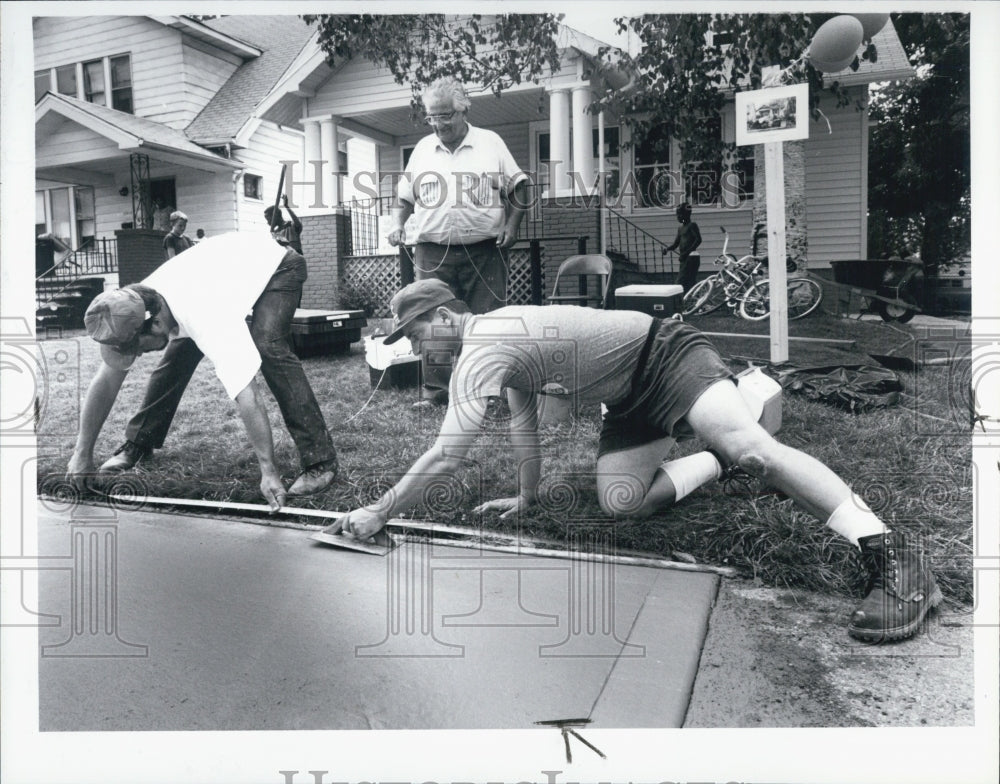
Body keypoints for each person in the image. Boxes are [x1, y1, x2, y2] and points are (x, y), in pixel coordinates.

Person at [327, 279, 941, 643]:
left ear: (441, 316)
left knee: (755, 451)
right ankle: (716, 456)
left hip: (667, 355)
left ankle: (894, 556)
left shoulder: (486, 343)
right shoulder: (500, 345)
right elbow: (524, 425)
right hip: (627, 398)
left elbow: (445, 454)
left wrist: (380, 512)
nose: (413, 347)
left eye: (413, 334)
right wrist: (527, 496)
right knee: (623, 501)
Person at [66, 232, 339, 504]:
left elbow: (248, 395)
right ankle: (139, 443)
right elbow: (106, 381)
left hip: (278, 266)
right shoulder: (136, 302)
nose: (136, 354)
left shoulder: (206, 316)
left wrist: (268, 471)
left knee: (268, 346)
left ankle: (321, 460)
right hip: (221, 276)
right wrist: (82, 451)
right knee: (173, 361)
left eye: (137, 347)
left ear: (157, 324)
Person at [387, 76, 529, 404]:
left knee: (487, 321)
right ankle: (437, 393)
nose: (438, 125)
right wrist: (398, 225)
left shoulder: (490, 143)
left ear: (463, 109)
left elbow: (519, 186)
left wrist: (513, 225)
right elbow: (405, 198)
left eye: (445, 116)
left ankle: (489, 392)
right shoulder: (422, 151)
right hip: (431, 252)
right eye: (432, 117)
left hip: (484, 250)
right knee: (431, 321)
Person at [665, 202, 702, 293]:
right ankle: (692, 300)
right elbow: (676, 244)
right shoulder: (680, 228)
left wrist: (686, 253)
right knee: (689, 282)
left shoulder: (692, 225)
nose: (678, 217)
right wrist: (667, 249)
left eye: (680, 214)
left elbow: (698, 240)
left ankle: (682, 299)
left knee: (681, 281)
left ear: (687, 214)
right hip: (684, 259)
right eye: (677, 215)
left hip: (692, 257)